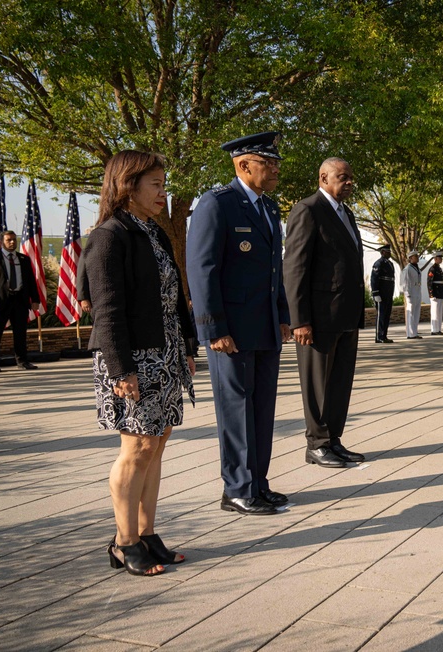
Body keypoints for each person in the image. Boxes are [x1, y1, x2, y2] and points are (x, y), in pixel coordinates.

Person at [87, 150, 194, 575]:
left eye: (164, 185)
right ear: (127, 186)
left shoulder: (155, 233)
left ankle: (147, 534)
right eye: (156, 185)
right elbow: (107, 310)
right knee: (136, 448)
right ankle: (123, 542)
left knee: (157, 442)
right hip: (132, 357)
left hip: (164, 352)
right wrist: (121, 369)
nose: (163, 193)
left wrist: (187, 343)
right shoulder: (109, 236)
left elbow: (176, 295)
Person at [187, 131, 291, 516]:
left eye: (277, 163)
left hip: (264, 326)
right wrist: (212, 328)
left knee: (262, 408)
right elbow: (202, 270)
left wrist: (283, 317)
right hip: (230, 331)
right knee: (236, 409)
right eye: (269, 163)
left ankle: (258, 484)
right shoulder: (217, 204)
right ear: (243, 165)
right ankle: (236, 489)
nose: (277, 169)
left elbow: (273, 271)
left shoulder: (269, 207)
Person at [284, 156, 368, 471]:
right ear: (324, 177)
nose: (349, 183)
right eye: (342, 177)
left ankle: (333, 440)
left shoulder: (346, 213)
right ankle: (316, 444)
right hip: (317, 319)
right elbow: (295, 268)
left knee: (339, 383)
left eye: (350, 178)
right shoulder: (308, 210)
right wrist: (300, 320)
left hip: (345, 315)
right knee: (317, 385)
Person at [0, 231, 41, 372]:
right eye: (8, 240)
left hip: (20, 301)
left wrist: (35, 299)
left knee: (20, 333)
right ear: (1, 242)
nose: (12, 242)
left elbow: (30, 281)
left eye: (14, 240)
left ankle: (22, 361)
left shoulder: (23, 259)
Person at [370, 244, 395, 344]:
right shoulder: (378, 263)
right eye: (388, 251)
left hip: (388, 292)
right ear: (383, 252)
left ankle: (384, 335)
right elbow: (374, 279)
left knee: (387, 315)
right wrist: (375, 293)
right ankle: (379, 336)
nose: (389, 253)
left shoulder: (390, 263)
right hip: (381, 293)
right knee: (381, 315)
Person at [402, 250, 422, 339]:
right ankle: (410, 334)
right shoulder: (407, 269)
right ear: (410, 258)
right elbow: (404, 282)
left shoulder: (417, 267)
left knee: (416, 313)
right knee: (411, 313)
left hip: (417, 291)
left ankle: (415, 332)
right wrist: (407, 293)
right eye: (415, 256)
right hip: (411, 292)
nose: (417, 258)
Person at [427, 251, 443, 335]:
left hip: (440, 292)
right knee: (435, 312)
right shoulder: (432, 269)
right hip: (435, 292)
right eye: (439, 258)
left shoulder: (439, 268)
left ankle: (438, 329)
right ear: (435, 259)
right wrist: (431, 293)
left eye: (441, 258)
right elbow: (429, 282)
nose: (441, 259)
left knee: (439, 312)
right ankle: (434, 330)